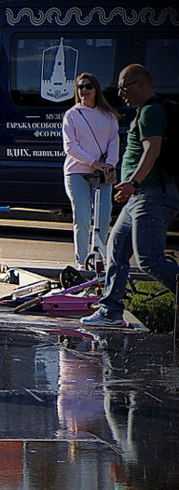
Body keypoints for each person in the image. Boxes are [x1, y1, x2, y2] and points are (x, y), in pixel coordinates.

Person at [81, 64, 179, 327]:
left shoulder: (151, 112)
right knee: (117, 248)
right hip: (138, 196)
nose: (121, 93)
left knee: (149, 259)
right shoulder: (142, 113)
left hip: (151, 194)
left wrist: (133, 182)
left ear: (142, 84)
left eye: (125, 87)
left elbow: (152, 150)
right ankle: (111, 310)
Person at [62, 72, 119, 272]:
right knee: (83, 217)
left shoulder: (109, 116)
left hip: (103, 173)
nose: (84, 90)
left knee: (104, 216)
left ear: (96, 89)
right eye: (80, 87)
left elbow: (114, 142)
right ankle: (82, 262)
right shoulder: (72, 114)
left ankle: (99, 257)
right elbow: (70, 147)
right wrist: (94, 162)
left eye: (88, 86)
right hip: (77, 172)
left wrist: (109, 164)